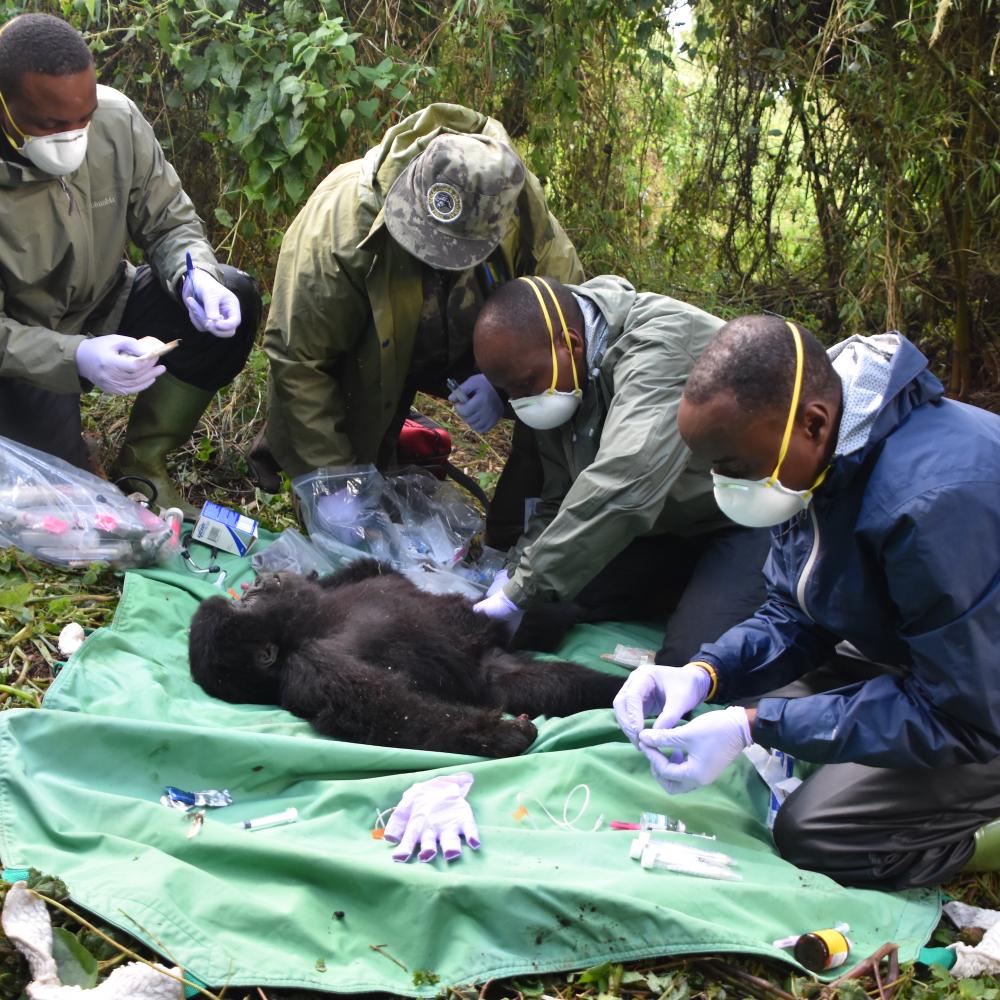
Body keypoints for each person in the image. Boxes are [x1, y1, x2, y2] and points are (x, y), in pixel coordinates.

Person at [613, 314, 1000, 889]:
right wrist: (703, 673)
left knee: (815, 834)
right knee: (752, 700)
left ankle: (978, 828)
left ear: (813, 425)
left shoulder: (931, 503)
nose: (724, 485)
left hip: (979, 705)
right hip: (933, 659)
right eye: (714, 468)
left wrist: (753, 725)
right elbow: (797, 612)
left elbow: (962, 712)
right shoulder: (821, 455)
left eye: (736, 468)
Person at [252, 103, 582, 543]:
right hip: (371, 348)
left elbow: (568, 320)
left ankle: (525, 531)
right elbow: (299, 360)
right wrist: (333, 487)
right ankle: (340, 486)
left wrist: (499, 384)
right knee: (343, 483)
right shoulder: (337, 225)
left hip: (470, 336)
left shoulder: (517, 203)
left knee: (549, 379)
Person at [0, 13, 261, 515]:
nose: (74, 137)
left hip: (104, 301)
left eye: (84, 118)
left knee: (239, 293)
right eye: (51, 125)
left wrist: (196, 275)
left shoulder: (117, 121)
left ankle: (143, 462)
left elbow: (169, 223)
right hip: (21, 352)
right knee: (58, 503)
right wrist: (76, 355)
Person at [469, 275, 772, 664]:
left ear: (572, 344)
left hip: (743, 520)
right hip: (664, 528)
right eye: (509, 393)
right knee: (536, 611)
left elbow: (626, 484)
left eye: (526, 385)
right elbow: (559, 499)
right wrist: (512, 577)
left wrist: (520, 591)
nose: (521, 402)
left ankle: (729, 595)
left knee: (693, 663)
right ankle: (682, 591)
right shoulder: (559, 376)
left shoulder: (661, 345)